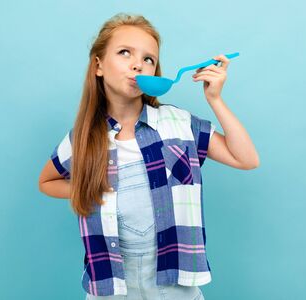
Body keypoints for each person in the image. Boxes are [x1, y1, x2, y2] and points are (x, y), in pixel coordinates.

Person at [38, 12, 260, 300]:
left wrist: (215, 100)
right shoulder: (82, 138)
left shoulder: (178, 124)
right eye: (124, 52)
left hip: (174, 282)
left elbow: (246, 159)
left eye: (148, 59)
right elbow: (47, 182)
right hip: (112, 284)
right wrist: (86, 189)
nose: (137, 64)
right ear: (98, 66)